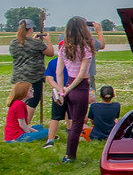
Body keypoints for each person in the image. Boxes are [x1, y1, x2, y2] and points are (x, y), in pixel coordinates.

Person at [55, 17, 95, 163]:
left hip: (68, 86)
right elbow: (82, 74)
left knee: (73, 121)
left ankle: (70, 155)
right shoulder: (85, 49)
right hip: (79, 88)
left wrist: (62, 90)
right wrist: (68, 89)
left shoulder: (64, 47)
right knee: (77, 124)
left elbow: (59, 71)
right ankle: (69, 155)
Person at [8, 18, 54, 124]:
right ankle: (24, 124)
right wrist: (48, 41)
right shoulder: (36, 44)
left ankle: (15, 123)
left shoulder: (14, 43)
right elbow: (50, 53)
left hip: (18, 76)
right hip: (34, 76)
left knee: (19, 100)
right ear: (31, 29)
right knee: (32, 100)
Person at [43, 50, 71, 149]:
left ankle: (50, 140)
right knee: (70, 116)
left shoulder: (53, 62)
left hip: (59, 93)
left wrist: (59, 89)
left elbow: (50, 79)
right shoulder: (73, 62)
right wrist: (63, 89)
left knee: (55, 117)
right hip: (69, 91)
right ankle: (72, 139)